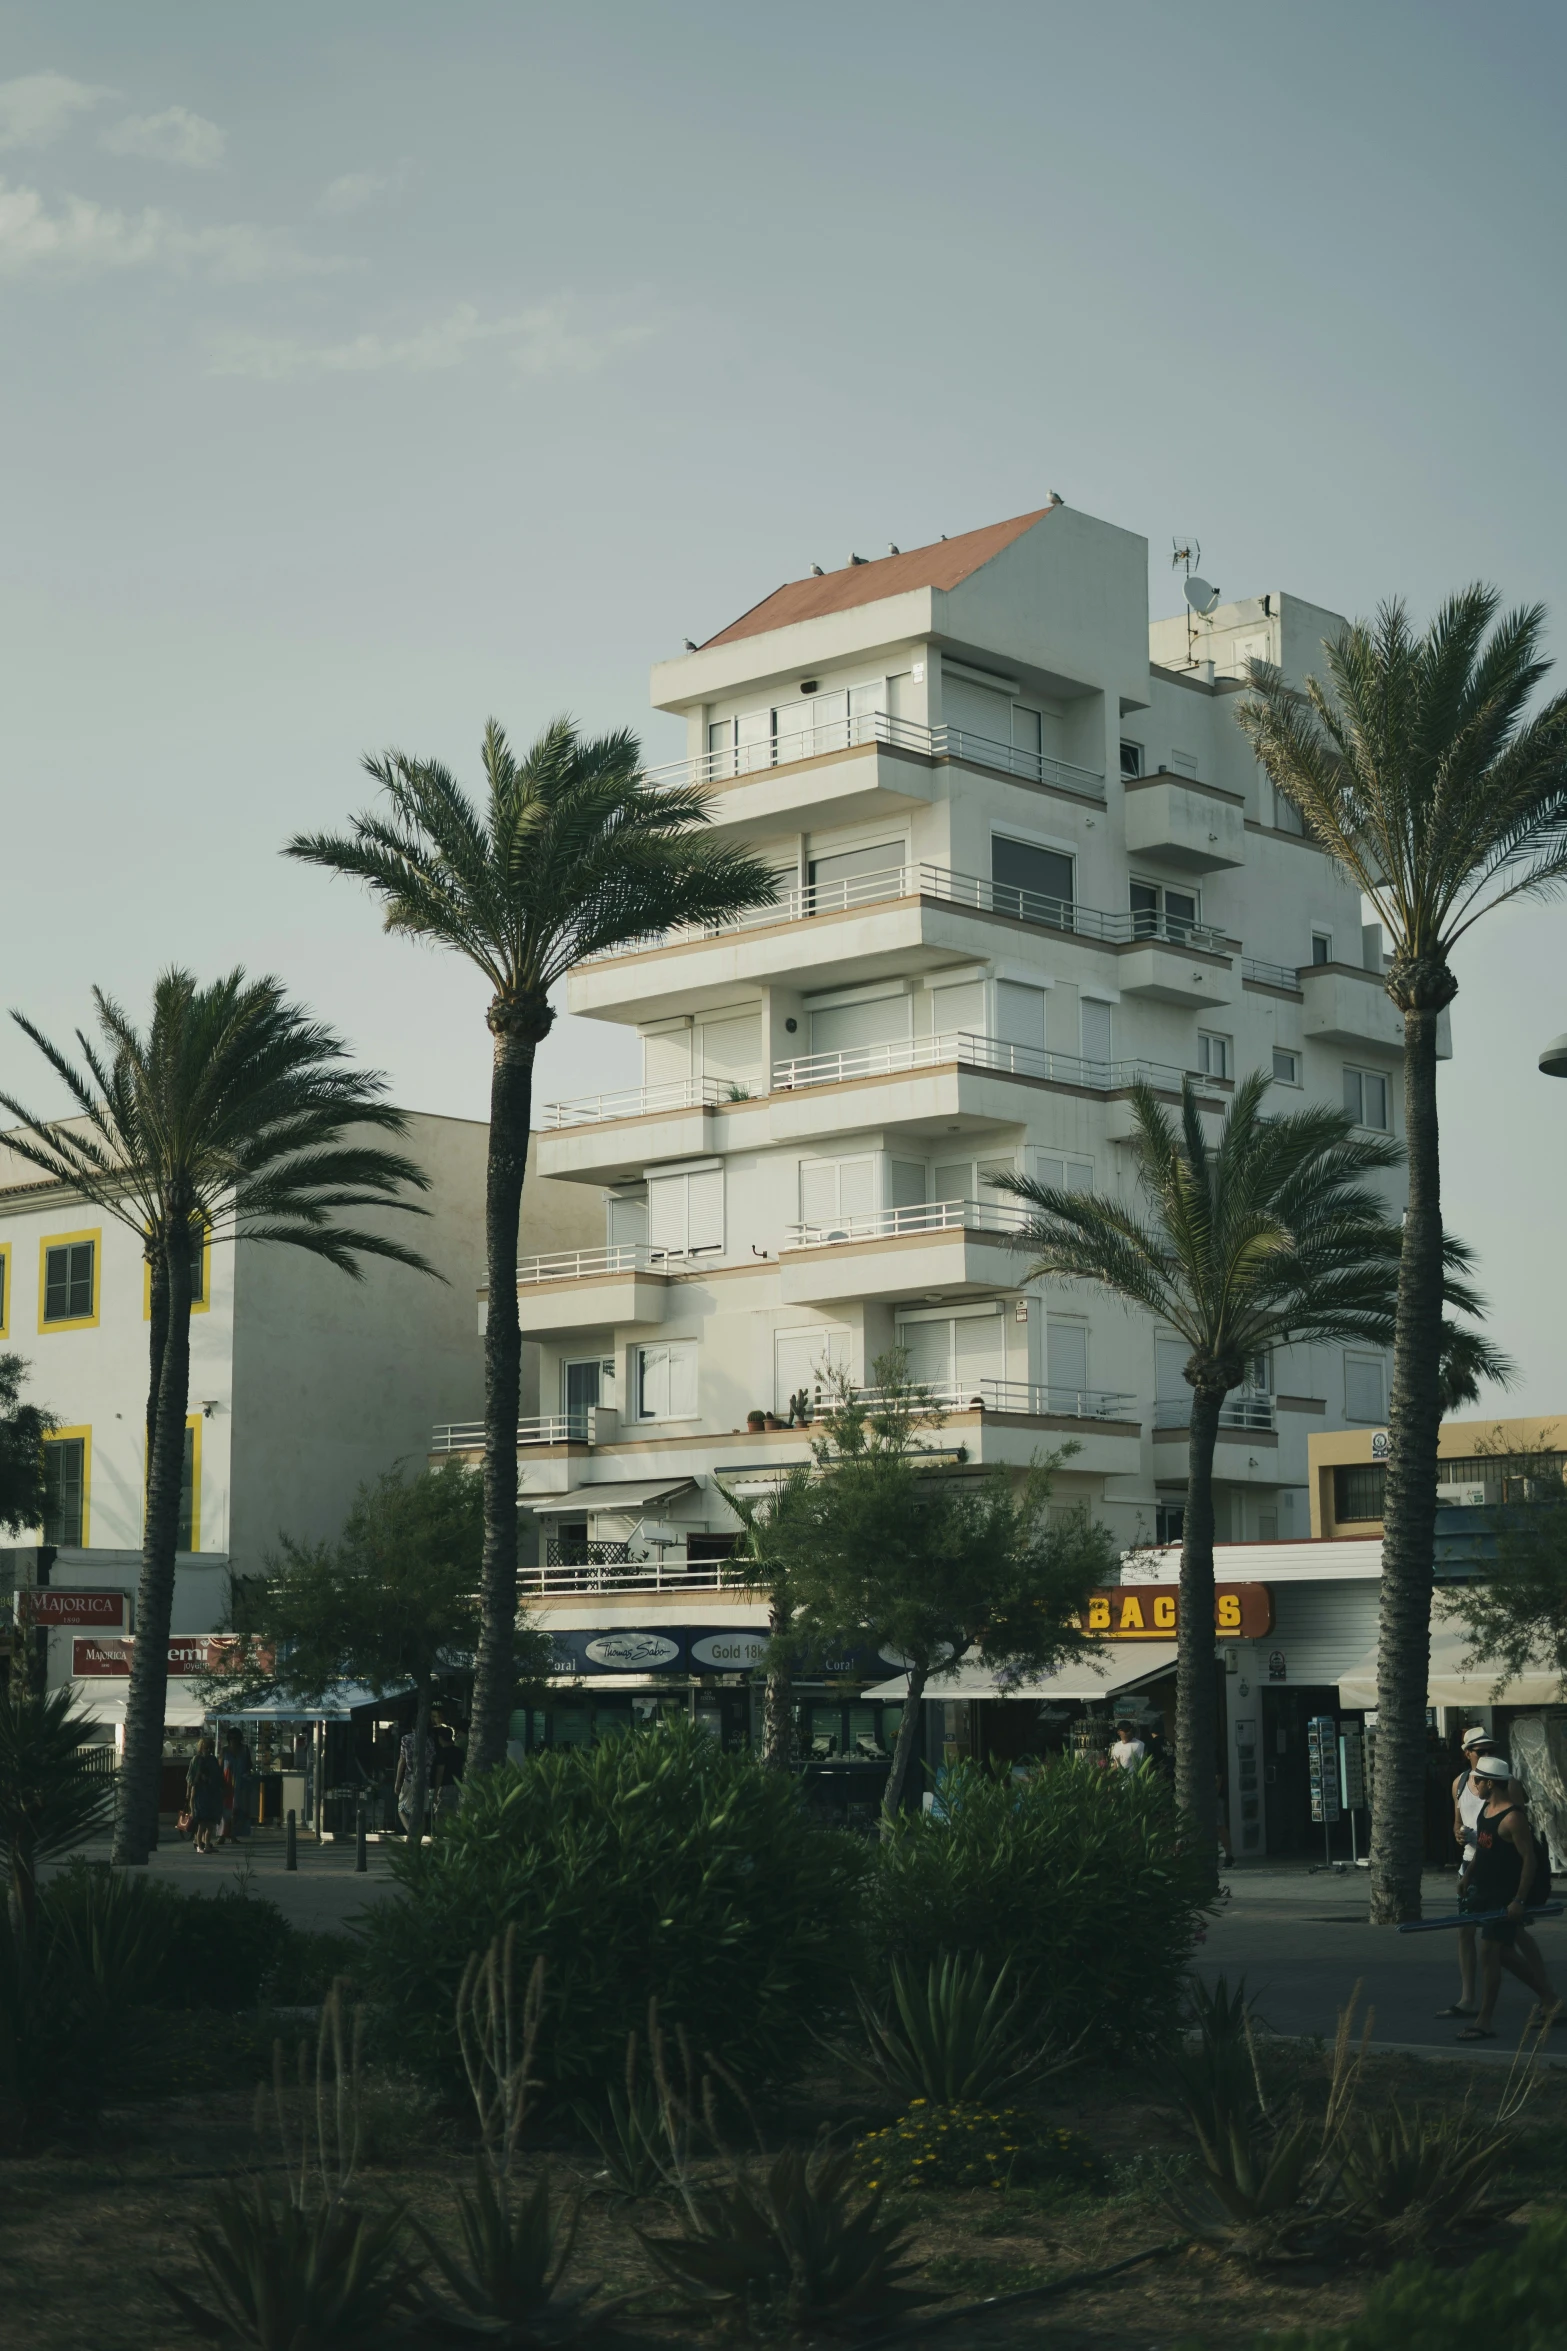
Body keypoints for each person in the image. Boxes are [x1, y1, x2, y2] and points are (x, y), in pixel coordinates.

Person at [1455, 1753, 1562, 2042]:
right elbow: (1483, 1850)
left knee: (1490, 1953)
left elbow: (1529, 1862)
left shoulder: (1513, 1817)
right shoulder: (1485, 1811)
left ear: (1490, 1783)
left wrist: (1519, 1900)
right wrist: (1468, 1876)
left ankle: (1485, 2020)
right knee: (1501, 1954)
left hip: (1506, 1897)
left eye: (1477, 1780)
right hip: (1487, 1895)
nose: (1473, 1784)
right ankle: (1550, 1998)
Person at [1437, 1727, 1529, 2021]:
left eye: (1491, 1750)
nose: (1487, 1755)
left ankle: (1547, 1994)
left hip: (1499, 1871)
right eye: (1481, 1751)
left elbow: (1521, 1832)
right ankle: (1469, 1999)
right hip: (1471, 1865)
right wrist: (1458, 1834)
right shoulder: (1460, 1783)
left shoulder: (1505, 1785)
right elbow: (1457, 1821)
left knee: (1509, 1941)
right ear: (1467, 1754)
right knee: (1466, 1932)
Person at [395, 1717, 436, 1838]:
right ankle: (420, 1835)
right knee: (422, 1810)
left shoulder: (406, 1739)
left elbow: (402, 1761)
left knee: (401, 1808)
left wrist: (397, 1782)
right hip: (426, 1779)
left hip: (410, 1778)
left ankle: (411, 1833)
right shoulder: (430, 1741)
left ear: (412, 1727)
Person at [186, 1735, 225, 1855]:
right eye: (205, 1748)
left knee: (210, 1823)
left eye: (209, 1748)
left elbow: (217, 1777)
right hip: (201, 1793)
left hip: (210, 1793)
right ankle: (200, 1843)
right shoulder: (197, 1760)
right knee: (202, 1822)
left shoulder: (212, 1760)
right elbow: (191, 1778)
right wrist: (189, 1792)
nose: (207, 1750)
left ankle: (205, 1844)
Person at [221, 1727, 255, 1842]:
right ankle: (223, 1834)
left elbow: (249, 1765)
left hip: (241, 1783)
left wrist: (246, 1774)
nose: (233, 1740)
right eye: (231, 1738)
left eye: (236, 1738)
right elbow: (220, 1766)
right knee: (225, 1810)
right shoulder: (224, 1751)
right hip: (227, 1783)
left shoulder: (244, 1749)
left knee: (238, 1810)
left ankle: (234, 1834)